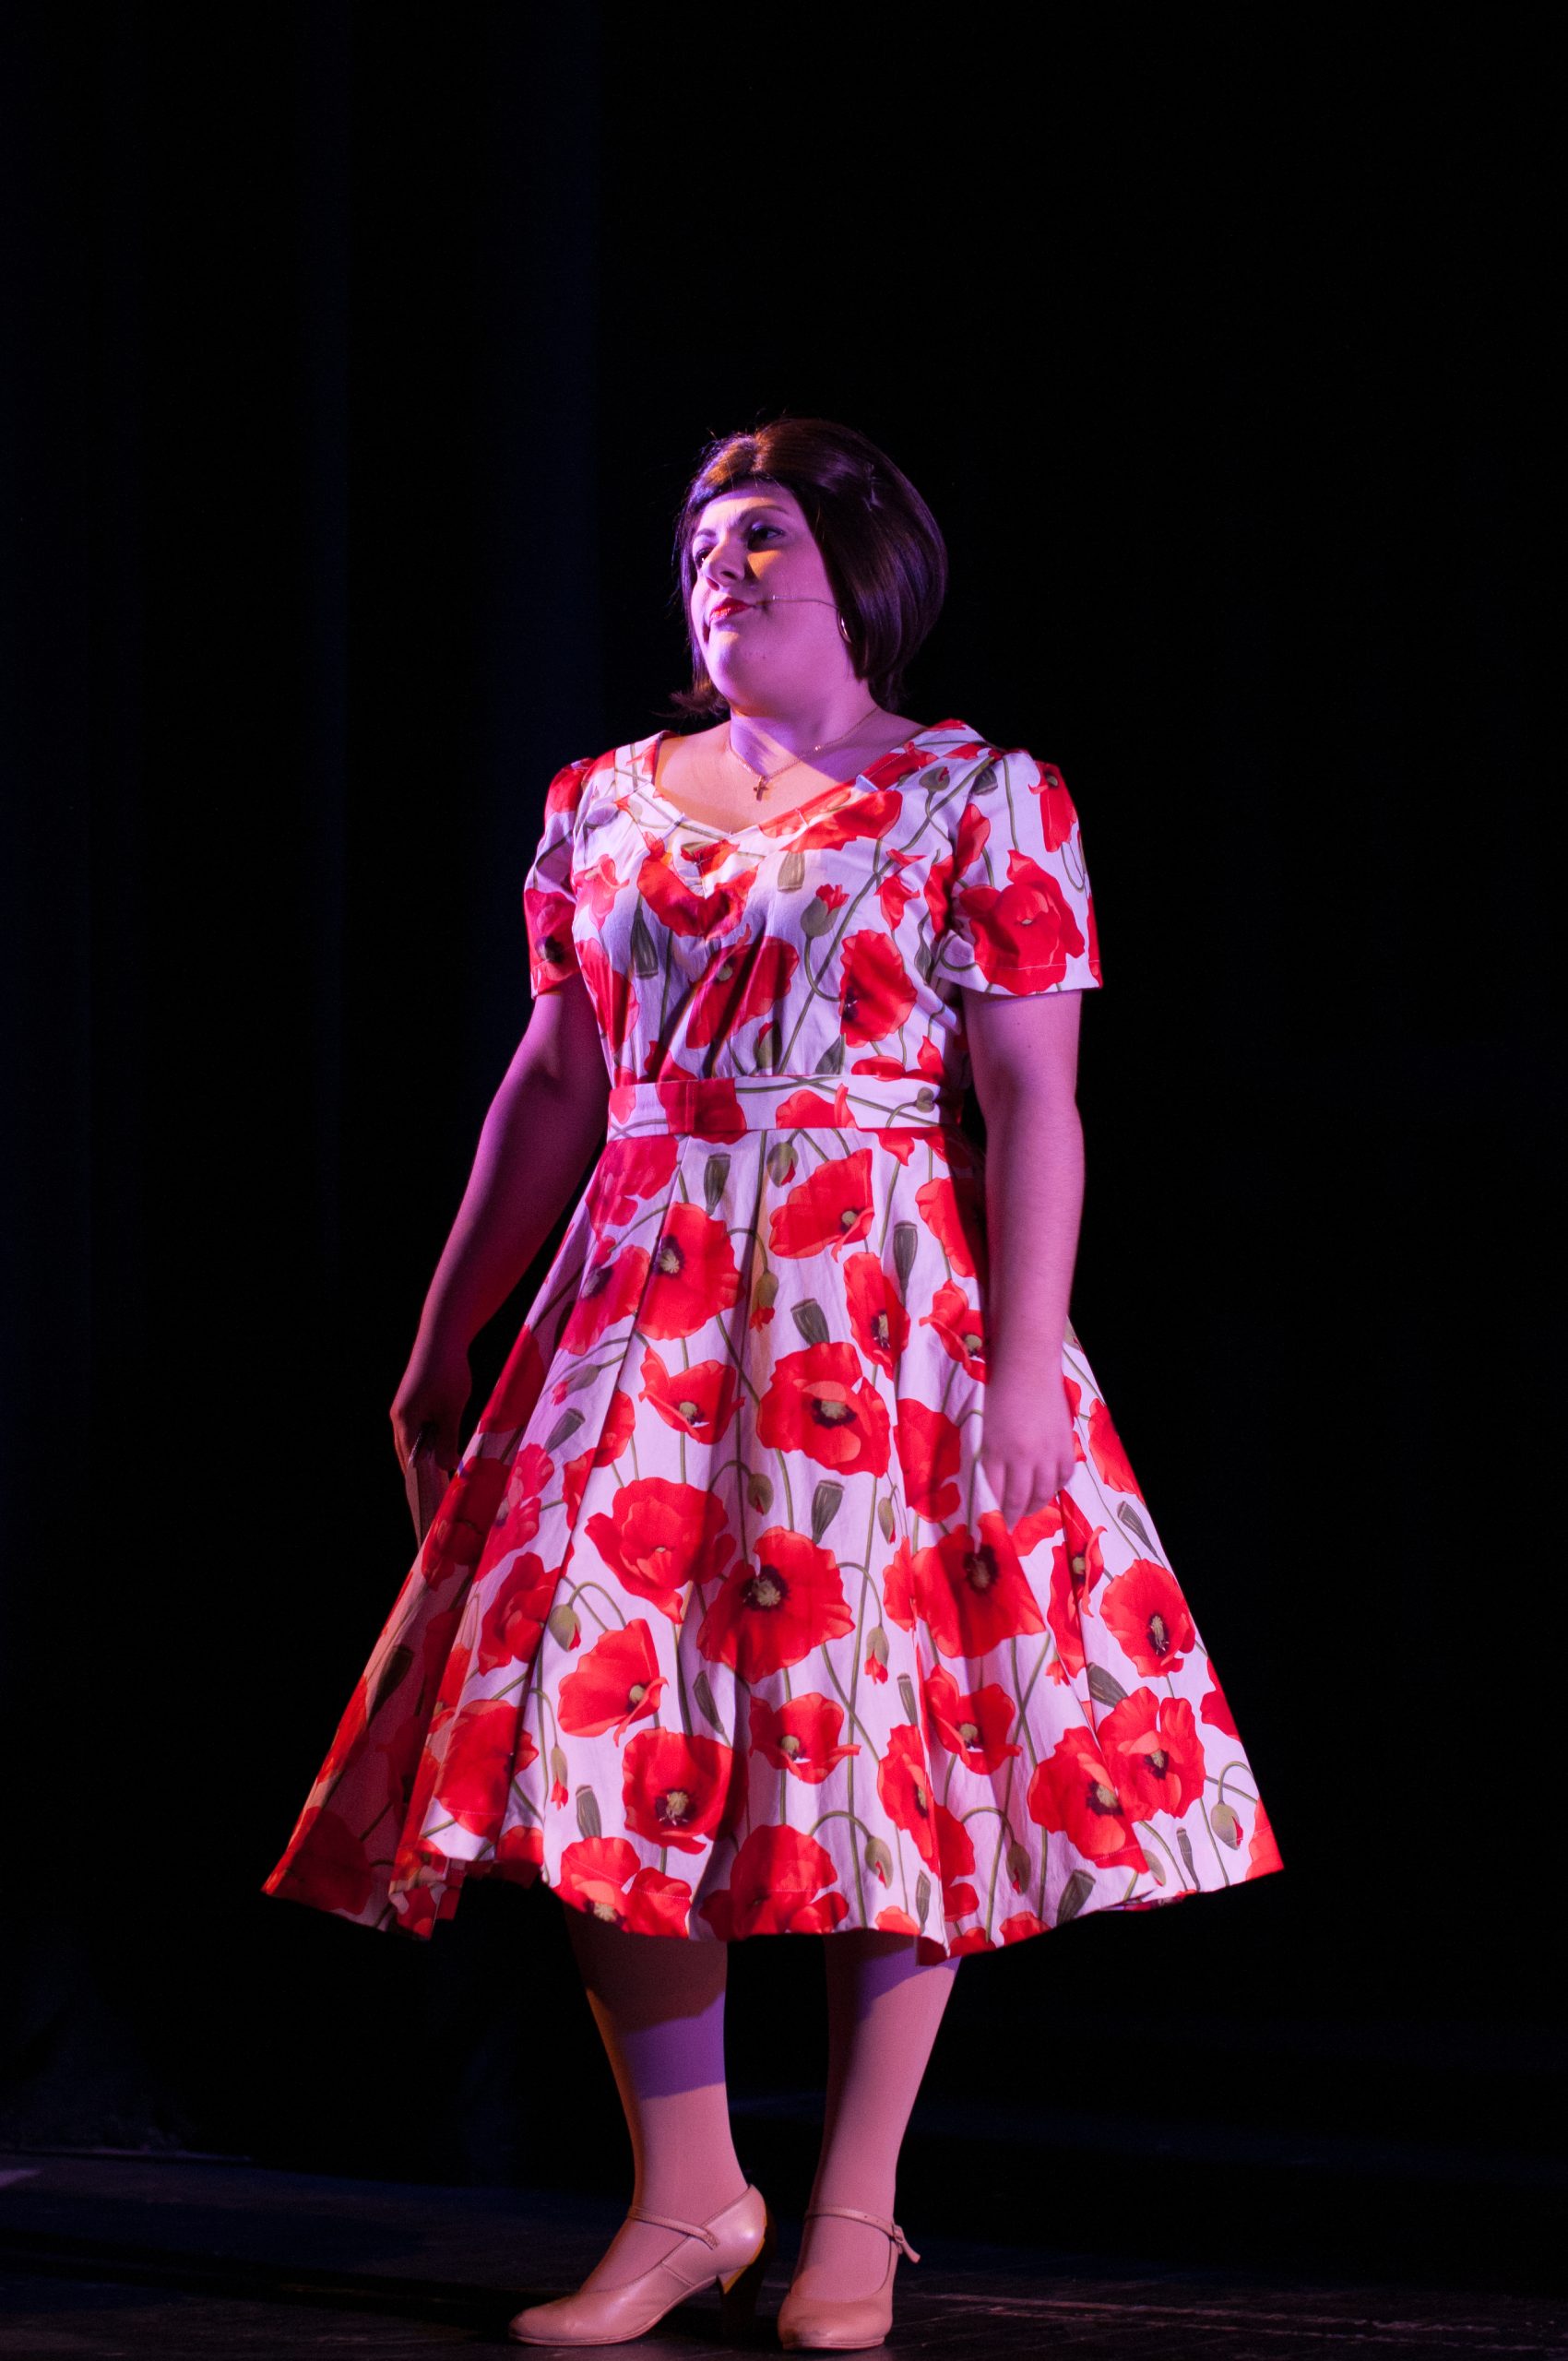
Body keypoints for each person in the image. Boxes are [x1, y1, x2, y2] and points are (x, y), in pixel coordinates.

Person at [263, 416, 1284, 2350]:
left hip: (878, 1306)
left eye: (763, 537)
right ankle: (685, 2192)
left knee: (881, 1735)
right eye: (702, 545)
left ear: (863, 569)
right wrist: (443, 1330)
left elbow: (1033, 1100)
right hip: (639, 1302)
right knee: (600, 1725)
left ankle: (854, 2211)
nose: (723, 570)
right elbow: (556, 1078)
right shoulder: (601, 802)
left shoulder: (980, 798)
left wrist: (1023, 1370)